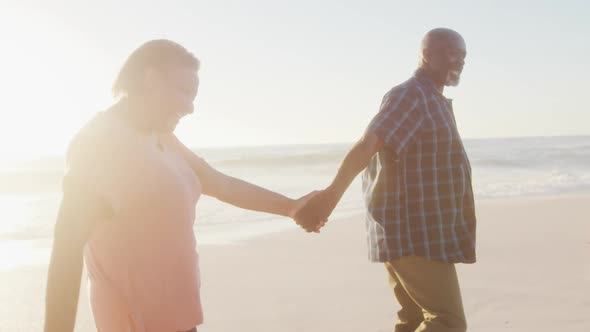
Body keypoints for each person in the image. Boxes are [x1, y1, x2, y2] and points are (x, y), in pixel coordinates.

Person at [44, 39, 320, 332]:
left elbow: (221, 183)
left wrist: (290, 207)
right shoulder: (100, 143)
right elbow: (66, 253)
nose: (190, 107)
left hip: (178, 322)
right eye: (184, 91)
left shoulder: (159, 136)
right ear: (150, 78)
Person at [295, 28, 475, 332]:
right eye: (449, 53)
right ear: (426, 55)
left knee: (414, 319)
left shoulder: (431, 98)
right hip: (415, 234)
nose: (458, 61)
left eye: (462, 55)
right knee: (448, 322)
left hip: (425, 232)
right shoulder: (411, 95)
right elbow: (367, 146)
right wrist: (329, 198)